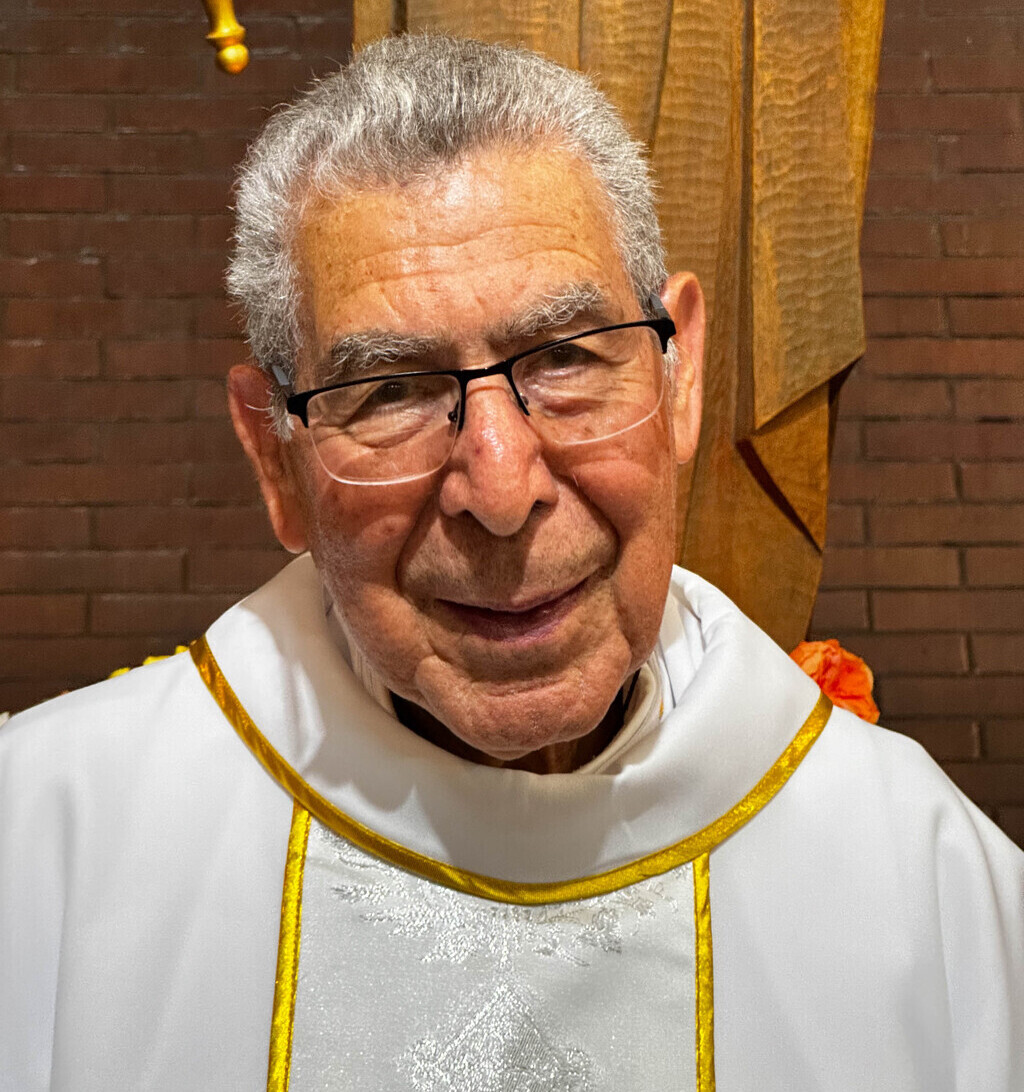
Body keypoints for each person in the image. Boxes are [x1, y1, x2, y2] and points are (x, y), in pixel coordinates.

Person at [1, 34, 1021, 1092]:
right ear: (275, 457)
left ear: (679, 379)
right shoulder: (47, 855)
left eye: (567, 358)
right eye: (390, 389)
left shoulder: (920, 881)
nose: (499, 488)